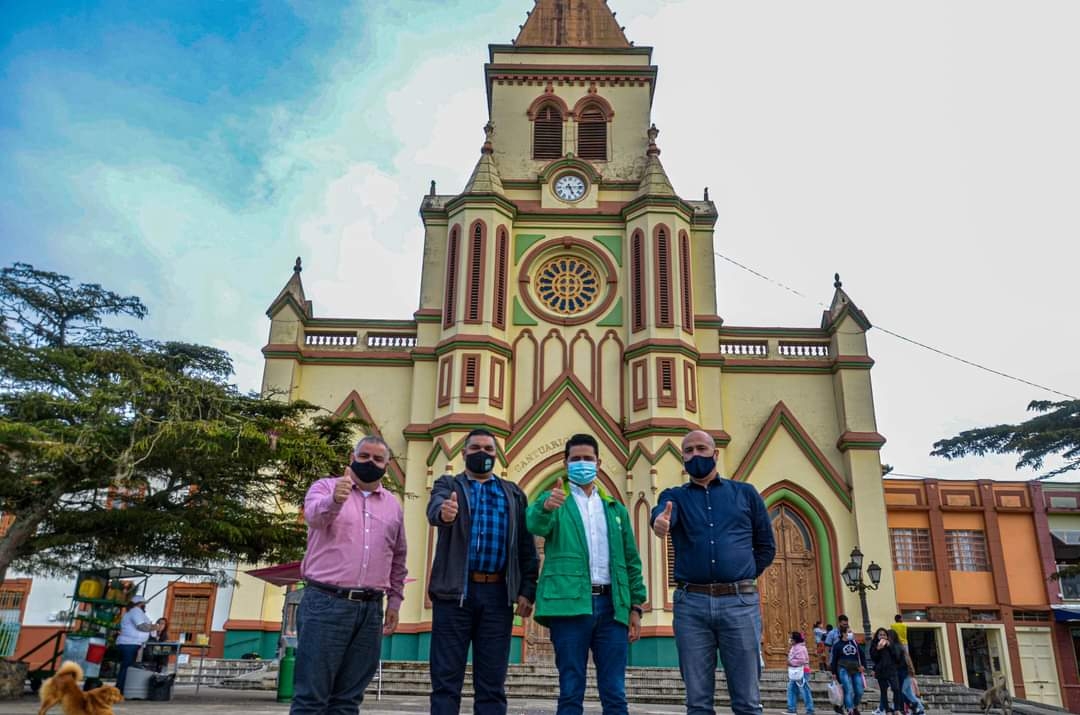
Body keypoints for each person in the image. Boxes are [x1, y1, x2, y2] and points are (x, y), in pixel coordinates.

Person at [651, 429, 776, 715]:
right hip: (691, 605)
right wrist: (659, 520)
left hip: (740, 605)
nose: (695, 455)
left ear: (715, 454)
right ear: (682, 458)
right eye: (688, 451)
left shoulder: (745, 494)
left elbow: (766, 546)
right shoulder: (675, 497)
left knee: (747, 701)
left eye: (701, 449)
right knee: (697, 703)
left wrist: (741, 577)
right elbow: (661, 512)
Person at [526, 434, 647, 715]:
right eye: (576, 459)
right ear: (565, 463)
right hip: (570, 607)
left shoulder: (615, 509)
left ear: (598, 462)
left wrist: (636, 606)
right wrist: (545, 507)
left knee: (615, 691)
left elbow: (631, 560)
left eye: (588, 459)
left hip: (612, 607)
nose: (582, 464)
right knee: (570, 689)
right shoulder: (556, 501)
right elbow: (534, 524)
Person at [291, 436, 408, 715]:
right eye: (364, 456)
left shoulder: (392, 504)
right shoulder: (325, 487)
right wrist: (335, 500)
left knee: (348, 700)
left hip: (370, 609)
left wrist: (394, 602)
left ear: (387, 465)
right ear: (352, 457)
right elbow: (314, 518)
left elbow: (399, 557)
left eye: (378, 459)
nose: (371, 462)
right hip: (325, 603)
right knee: (311, 698)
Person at [426, 429, 540, 715]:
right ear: (463, 453)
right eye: (475, 448)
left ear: (497, 455)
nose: (482, 454)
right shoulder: (448, 484)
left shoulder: (513, 493)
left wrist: (527, 589)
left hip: (497, 596)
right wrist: (444, 512)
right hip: (454, 595)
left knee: (492, 684)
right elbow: (435, 507)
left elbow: (526, 546)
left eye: (489, 449)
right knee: (445, 680)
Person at [115, 594, 161, 693]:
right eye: (144, 604)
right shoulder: (136, 611)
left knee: (127, 667)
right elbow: (141, 626)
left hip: (132, 643)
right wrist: (154, 627)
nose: (145, 606)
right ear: (140, 604)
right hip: (129, 643)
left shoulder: (134, 612)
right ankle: (119, 690)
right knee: (126, 668)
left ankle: (122, 689)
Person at [830, 625, 867, 715]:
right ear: (843, 633)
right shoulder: (837, 645)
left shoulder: (854, 643)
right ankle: (850, 709)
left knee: (859, 690)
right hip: (843, 668)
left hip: (856, 669)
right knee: (848, 689)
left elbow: (862, 655)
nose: (851, 633)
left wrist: (863, 666)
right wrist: (834, 672)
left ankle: (854, 706)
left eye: (851, 632)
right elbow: (834, 660)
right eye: (849, 632)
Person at [869, 628, 903, 715]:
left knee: (896, 688)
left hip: (892, 670)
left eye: (884, 635)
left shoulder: (891, 645)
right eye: (880, 635)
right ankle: (887, 710)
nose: (882, 636)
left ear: (887, 636)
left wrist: (890, 646)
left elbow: (897, 657)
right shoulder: (874, 645)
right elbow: (874, 658)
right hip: (881, 671)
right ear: (877, 636)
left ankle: (897, 709)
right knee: (883, 691)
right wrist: (878, 649)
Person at [786, 631, 815, 715]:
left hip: (802, 671)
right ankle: (791, 709)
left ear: (795, 639)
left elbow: (802, 660)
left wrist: (791, 662)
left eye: (791, 638)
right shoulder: (794, 647)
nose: (789, 639)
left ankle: (810, 710)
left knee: (805, 690)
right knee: (791, 689)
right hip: (796, 672)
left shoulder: (800, 648)